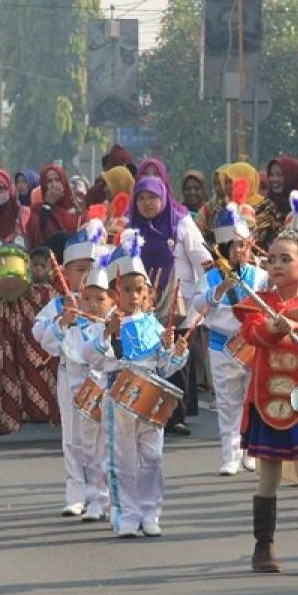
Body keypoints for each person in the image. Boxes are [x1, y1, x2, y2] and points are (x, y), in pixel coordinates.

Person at [232, 228, 298, 572]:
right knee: (268, 474)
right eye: (272, 259)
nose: (276, 264)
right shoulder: (256, 303)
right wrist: (286, 321)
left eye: (286, 259)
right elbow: (255, 334)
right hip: (265, 399)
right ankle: (263, 549)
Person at [81, 229, 188, 537]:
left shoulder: (154, 326)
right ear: (118, 293)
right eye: (126, 290)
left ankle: (151, 511)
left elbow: (165, 368)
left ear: (146, 293)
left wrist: (176, 351)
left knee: (152, 458)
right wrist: (108, 334)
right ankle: (126, 515)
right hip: (119, 399)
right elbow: (93, 358)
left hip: (150, 399)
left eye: (138, 290)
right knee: (122, 460)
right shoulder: (107, 324)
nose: (132, 296)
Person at [32, 215, 109, 517]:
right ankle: (76, 493)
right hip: (71, 374)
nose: (87, 275)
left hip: (101, 376)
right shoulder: (60, 304)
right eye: (80, 270)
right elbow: (41, 336)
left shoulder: (106, 302)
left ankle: (101, 495)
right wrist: (63, 321)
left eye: (92, 269)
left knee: (101, 438)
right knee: (73, 437)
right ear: (65, 272)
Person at [129, 175, 211, 436]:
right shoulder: (131, 225)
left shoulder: (181, 221)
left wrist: (207, 292)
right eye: (141, 198)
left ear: (163, 197)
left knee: (176, 353)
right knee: (149, 353)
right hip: (142, 299)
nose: (147, 204)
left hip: (178, 297)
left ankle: (176, 415)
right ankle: (147, 406)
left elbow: (201, 256)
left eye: (152, 197)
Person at [193, 186, 265, 476]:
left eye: (244, 245)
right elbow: (198, 306)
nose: (240, 250)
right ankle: (229, 454)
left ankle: (250, 451)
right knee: (226, 402)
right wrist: (220, 288)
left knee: (253, 400)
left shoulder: (259, 275)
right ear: (223, 248)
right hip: (222, 346)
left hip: (251, 345)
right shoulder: (211, 276)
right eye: (234, 245)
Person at [25, 165, 80, 249]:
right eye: (49, 181)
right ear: (43, 185)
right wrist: (48, 203)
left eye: (57, 180)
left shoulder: (76, 209)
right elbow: (36, 233)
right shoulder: (37, 210)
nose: (54, 184)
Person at [265, 156, 298, 222]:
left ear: (292, 177)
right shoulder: (265, 207)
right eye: (271, 175)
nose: (274, 179)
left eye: (279, 175)